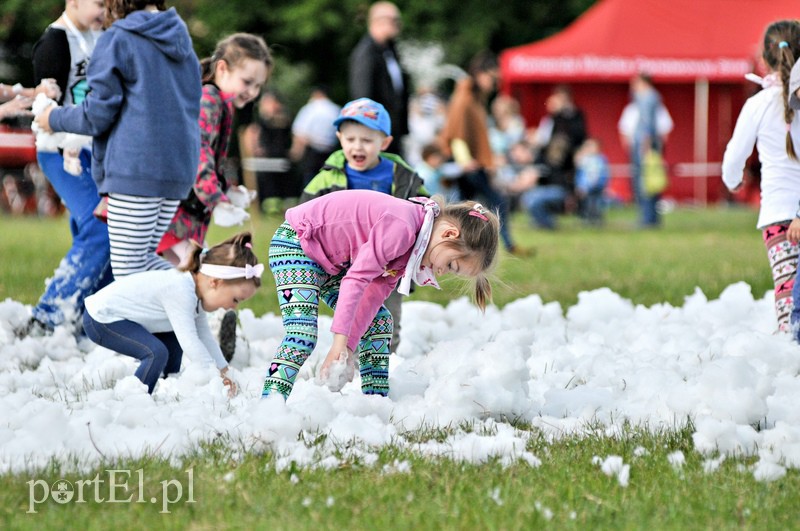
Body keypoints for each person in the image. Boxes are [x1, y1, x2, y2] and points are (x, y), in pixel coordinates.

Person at [262, 189, 500, 399]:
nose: (440, 271)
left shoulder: (413, 247)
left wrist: (348, 349)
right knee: (302, 333)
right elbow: (356, 280)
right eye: (451, 265)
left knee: (379, 321)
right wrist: (339, 343)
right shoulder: (403, 229)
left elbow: (374, 294)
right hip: (297, 245)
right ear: (449, 235)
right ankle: (271, 401)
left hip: (329, 262)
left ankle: (375, 401)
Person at [35, 0, 202, 279]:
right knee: (142, 262)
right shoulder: (178, 34)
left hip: (135, 169)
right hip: (178, 169)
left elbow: (97, 115)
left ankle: (204, 286)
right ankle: (198, 298)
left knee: (128, 272)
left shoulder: (118, 38)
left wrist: (53, 118)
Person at [298, 97, 427, 353]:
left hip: (389, 262)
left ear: (385, 142)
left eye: (367, 140)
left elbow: (425, 213)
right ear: (339, 138)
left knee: (387, 314)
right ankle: (348, 355)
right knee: (351, 308)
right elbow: (305, 212)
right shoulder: (328, 176)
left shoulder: (402, 177)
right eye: (350, 139)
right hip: (347, 262)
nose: (358, 146)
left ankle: (385, 356)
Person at [20, 0, 110, 336]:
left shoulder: (102, 35)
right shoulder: (55, 41)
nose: (105, 10)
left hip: (96, 150)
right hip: (61, 150)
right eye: (99, 3)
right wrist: (65, 140)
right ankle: (49, 314)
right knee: (101, 227)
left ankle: (90, 318)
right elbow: (45, 106)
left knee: (101, 231)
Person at [82, 232, 261, 395]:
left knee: (172, 339)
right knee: (155, 353)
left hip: (116, 317)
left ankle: (170, 383)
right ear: (216, 282)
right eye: (235, 299)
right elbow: (190, 342)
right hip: (102, 318)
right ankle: (135, 398)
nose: (234, 307)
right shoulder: (181, 290)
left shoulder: (195, 293)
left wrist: (224, 371)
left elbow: (205, 336)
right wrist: (216, 379)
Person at [158, 33, 272, 266]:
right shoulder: (209, 98)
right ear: (222, 68)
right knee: (198, 273)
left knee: (185, 276)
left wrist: (228, 191)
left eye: (258, 86)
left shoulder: (220, 102)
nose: (252, 92)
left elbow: (212, 159)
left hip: (180, 211)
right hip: (171, 211)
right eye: (247, 81)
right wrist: (216, 199)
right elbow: (197, 152)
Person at [722, 20, 800, 335]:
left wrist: (733, 182)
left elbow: (733, 156)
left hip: (779, 216)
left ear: (763, 58)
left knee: (787, 293)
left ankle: (789, 353)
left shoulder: (757, 104)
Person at [439, 51, 519, 253]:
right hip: (468, 164)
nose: (495, 84)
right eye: (493, 78)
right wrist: (465, 160)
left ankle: (453, 245)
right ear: (480, 73)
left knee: (462, 209)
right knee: (495, 202)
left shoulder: (475, 98)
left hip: (472, 163)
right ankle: (508, 244)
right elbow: (457, 130)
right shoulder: (464, 97)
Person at [348, 1, 409, 155]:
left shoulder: (390, 51)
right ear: (378, 21)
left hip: (391, 133)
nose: (399, 25)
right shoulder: (366, 53)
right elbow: (363, 97)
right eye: (395, 21)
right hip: (376, 133)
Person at [618, 72, 674, 228]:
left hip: (645, 146)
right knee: (646, 182)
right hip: (646, 145)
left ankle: (647, 219)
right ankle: (649, 217)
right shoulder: (649, 99)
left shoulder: (648, 98)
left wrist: (646, 145)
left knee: (646, 182)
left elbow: (648, 125)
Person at [243, 90, 298, 215]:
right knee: (267, 184)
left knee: (283, 184)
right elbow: (251, 133)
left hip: (282, 159)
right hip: (265, 160)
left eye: (268, 102)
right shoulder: (260, 120)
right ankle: (268, 207)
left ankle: (282, 207)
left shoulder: (282, 119)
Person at [289, 85, 341, 187]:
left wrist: (296, 153)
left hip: (312, 151)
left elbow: (300, 132)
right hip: (331, 152)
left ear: (316, 94)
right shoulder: (336, 109)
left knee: (310, 182)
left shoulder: (310, 108)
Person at [573, 137, 610, 226]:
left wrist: (604, 184)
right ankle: (588, 219)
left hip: (598, 186)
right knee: (588, 203)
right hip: (587, 187)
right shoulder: (584, 160)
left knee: (597, 203)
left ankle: (597, 219)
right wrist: (580, 185)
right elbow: (580, 174)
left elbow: (605, 173)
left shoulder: (601, 159)